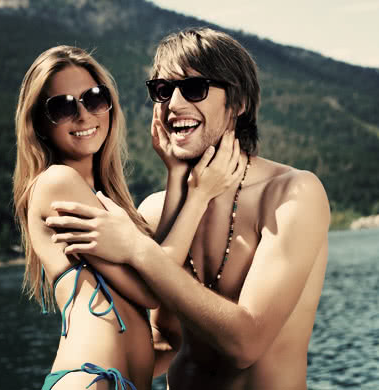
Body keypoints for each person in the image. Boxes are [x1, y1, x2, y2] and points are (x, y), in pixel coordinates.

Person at [46, 28, 331, 390]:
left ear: (238, 102)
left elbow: (246, 344)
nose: (174, 105)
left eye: (194, 88)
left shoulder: (292, 194)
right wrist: (81, 371)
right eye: (162, 91)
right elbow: (164, 341)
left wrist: (137, 249)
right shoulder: (156, 210)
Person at [12, 45, 244, 390]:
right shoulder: (56, 183)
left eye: (93, 98)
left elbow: (155, 305)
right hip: (91, 380)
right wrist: (199, 195)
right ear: (40, 124)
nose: (83, 114)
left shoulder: (111, 206)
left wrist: (176, 175)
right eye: (61, 107)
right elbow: (152, 290)